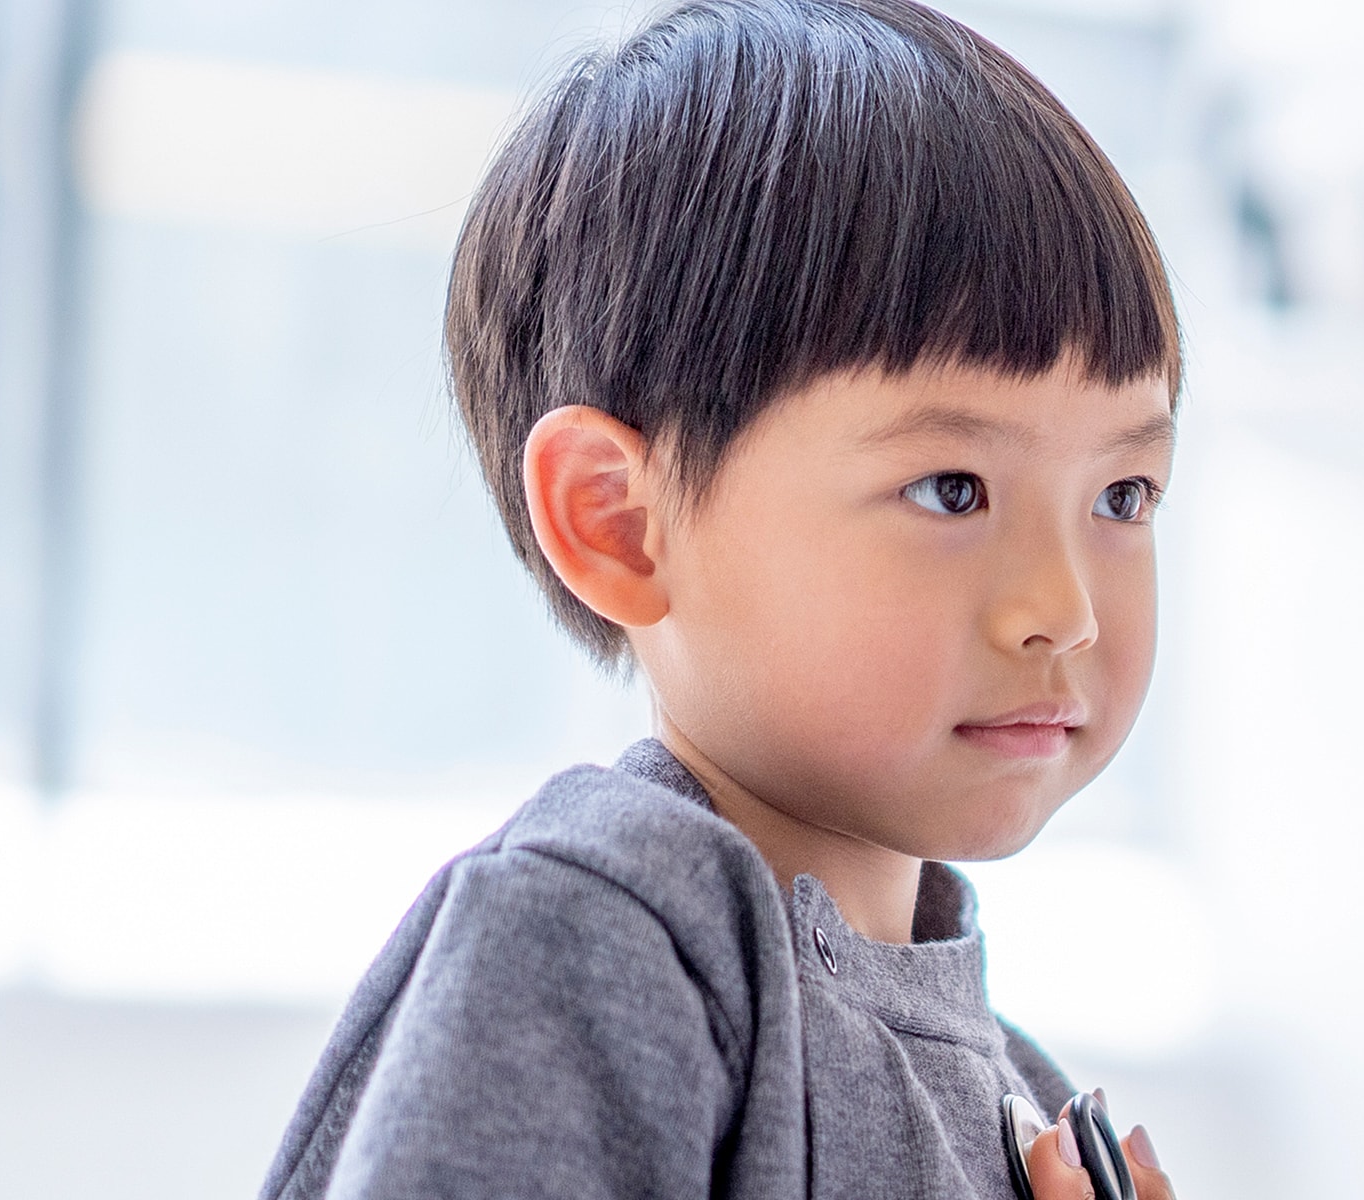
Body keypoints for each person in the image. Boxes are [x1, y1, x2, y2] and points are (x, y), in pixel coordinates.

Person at [261, 0, 1180, 1196]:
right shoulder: (599, 933)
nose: (1064, 610)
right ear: (618, 520)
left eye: (1122, 496)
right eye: (952, 488)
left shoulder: (1027, 1096)